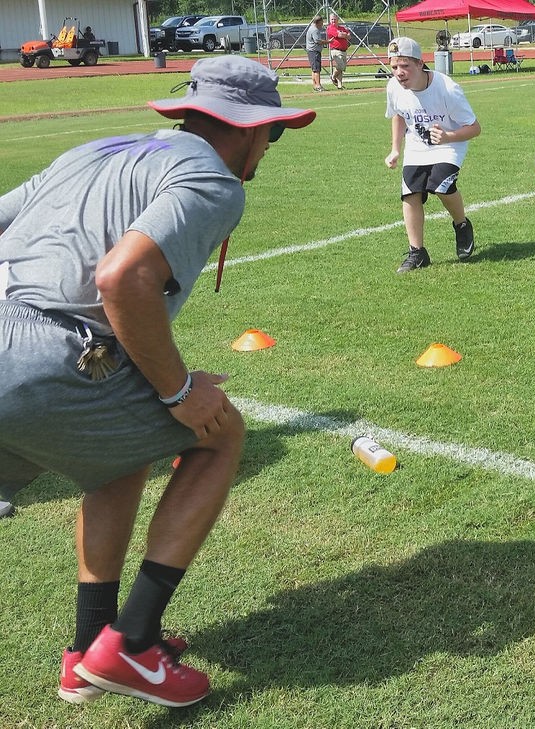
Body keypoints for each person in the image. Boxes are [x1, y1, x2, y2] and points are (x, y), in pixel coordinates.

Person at [0, 55, 314, 708]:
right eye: (274, 134)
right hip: (49, 358)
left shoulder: (94, 149)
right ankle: (134, 643)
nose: (268, 147)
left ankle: (89, 648)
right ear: (252, 131)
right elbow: (123, 278)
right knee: (217, 430)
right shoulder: (217, 181)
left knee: (120, 451)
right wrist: (179, 390)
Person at [384, 37, 480, 273]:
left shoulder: (447, 89)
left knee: (441, 185)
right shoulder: (394, 87)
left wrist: (448, 137)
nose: (399, 73)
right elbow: (398, 115)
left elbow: (474, 128)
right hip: (418, 147)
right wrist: (396, 148)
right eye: (394, 67)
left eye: (405, 65)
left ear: (420, 63)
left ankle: (462, 225)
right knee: (410, 194)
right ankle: (417, 252)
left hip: (450, 144)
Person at [326, 12, 350, 90]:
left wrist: (344, 34)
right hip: (336, 50)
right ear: (330, 20)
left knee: (341, 68)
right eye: (332, 19)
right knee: (341, 66)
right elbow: (340, 35)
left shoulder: (342, 28)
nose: (333, 21)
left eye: (335, 19)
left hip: (344, 50)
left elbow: (349, 36)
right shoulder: (330, 28)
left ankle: (339, 85)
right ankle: (333, 77)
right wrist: (344, 35)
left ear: (337, 20)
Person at [306, 16, 328, 92]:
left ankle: (315, 85)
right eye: (321, 23)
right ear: (317, 22)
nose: (322, 25)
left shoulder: (311, 28)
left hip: (311, 51)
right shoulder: (315, 30)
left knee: (314, 69)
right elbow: (317, 41)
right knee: (317, 69)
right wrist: (328, 42)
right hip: (314, 51)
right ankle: (318, 85)